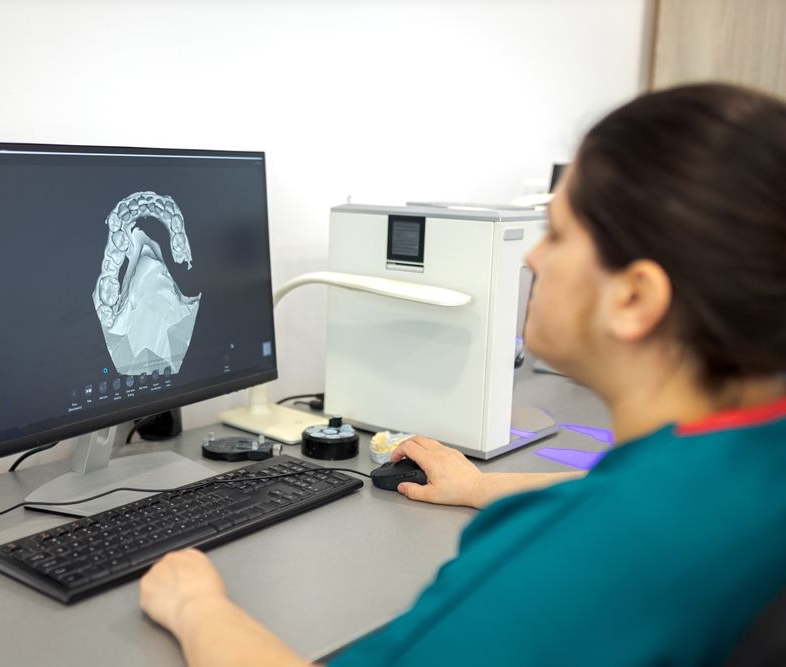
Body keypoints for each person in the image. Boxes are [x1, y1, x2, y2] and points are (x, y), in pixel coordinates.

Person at [138, 83, 786, 666]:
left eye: (557, 233)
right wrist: (480, 485)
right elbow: (623, 486)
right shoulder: (750, 459)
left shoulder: (578, 555)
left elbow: (610, 520)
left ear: (636, 298)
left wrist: (198, 605)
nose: (532, 254)